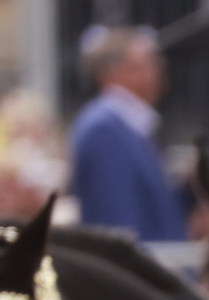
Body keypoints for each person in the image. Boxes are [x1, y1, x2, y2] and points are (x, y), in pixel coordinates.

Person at [68, 28, 183, 244]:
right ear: (112, 73)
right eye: (147, 62)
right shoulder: (103, 131)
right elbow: (119, 226)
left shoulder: (130, 126)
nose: (160, 68)